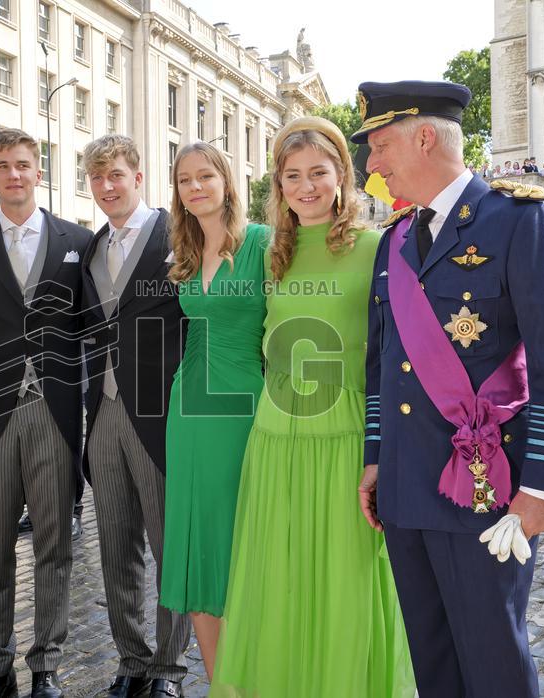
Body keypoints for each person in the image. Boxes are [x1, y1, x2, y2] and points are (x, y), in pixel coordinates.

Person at [355, 79, 544, 697]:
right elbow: (383, 366)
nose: (371, 167)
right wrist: (377, 459)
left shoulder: (518, 219)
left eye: (378, 148)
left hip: (485, 490)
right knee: (433, 665)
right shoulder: (394, 243)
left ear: (424, 137)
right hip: (408, 487)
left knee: (494, 664)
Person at [211, 116, 415, 697]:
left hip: (346, 437)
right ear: (278, 185)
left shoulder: (379, 247)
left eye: (318, 174)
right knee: (280, 578)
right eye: (292, 176)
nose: (306, 187)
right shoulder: (268, 250)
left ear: (342, 176)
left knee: (345, 579)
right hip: (276, 436)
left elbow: (395, 352)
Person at [0, 128, 92, 698]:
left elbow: (95, 326)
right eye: (2, 164)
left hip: (56, 412)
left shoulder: (78, 239)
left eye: (24, 164)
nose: (14, 174)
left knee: (55, 544)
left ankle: (46, 663)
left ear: (39, 170)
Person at [78, 134, 191, 698]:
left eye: (116, 175)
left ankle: (170, 670)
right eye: (97, 179)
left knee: (173, 548)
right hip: (103, 412)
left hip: (164, 414)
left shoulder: (181, 233)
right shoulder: (92, 247)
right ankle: (132, 659)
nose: (107, 187)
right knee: (115, 546)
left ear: (138, 177)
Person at [157, 141, 267, 683]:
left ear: (227, 181)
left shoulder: (265, 245)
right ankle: (222, 683)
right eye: (184, 180)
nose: (195, 187)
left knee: (239, 533)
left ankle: (258, 675)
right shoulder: (182, 252)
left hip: (247, 403)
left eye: (205, 176)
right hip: (191, 402)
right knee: (198, 531)